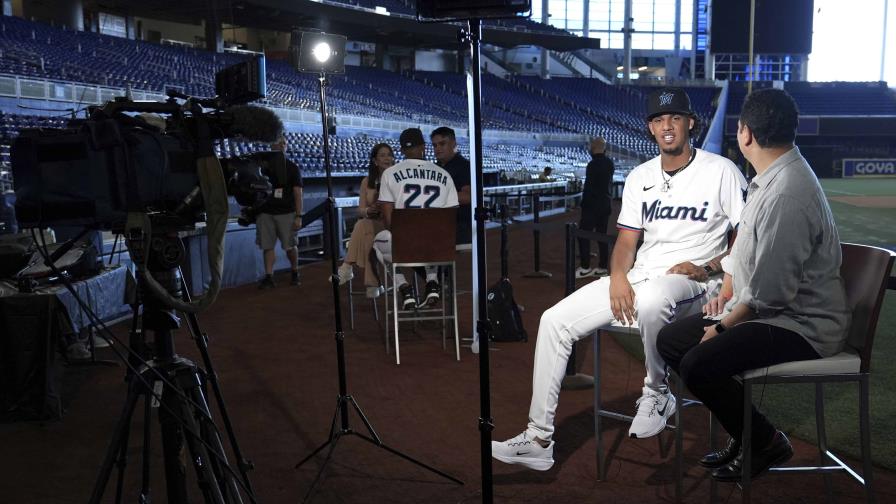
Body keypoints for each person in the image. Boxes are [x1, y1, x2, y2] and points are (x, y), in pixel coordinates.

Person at [491, 87, 747, 471]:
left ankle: (657, 392)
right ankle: (539, 438)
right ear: (650, 128)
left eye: (674, 118)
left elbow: (746, 238)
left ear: (690, 123)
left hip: (694, 283)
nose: (667, 126)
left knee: (654, 298)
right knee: (553, 321)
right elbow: (627, 242)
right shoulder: (640, 176)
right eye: (659, 120)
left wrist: (711, 268)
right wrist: (615, 278)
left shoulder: (721, 170)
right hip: (642, 276)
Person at [657, 88, 848, 482]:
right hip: (778, 313)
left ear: (745, 134)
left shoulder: (787, 192)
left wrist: (724, 324)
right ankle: (752, 434)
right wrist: (725, 297)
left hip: (801, 324)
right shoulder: (774, 177)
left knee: (698, 362)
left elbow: (770, 294)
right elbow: (747, 256)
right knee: (671, 341)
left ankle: (763, 441)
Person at [373, 128, 458, 309]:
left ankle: (404, 288)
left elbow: (388, 220)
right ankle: (433, 282)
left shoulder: (389, 174)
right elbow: (451, 217)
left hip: (405, 247)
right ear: (423, 147)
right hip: (440, 249)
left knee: (377, 243)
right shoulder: (444, 174)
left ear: (402, 150)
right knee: (432, 234)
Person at [334, 143, 394, 298]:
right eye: (382, 155)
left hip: (392, 227)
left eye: (389, 154)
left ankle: (347, 268)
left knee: (362, 225)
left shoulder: (397, 179)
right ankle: (372, 283)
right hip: (372, 224)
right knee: (365, 227)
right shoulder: (367, 181)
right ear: (375, 161)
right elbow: (360, 209)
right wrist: (369, 210)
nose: (387, 158)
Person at [256, 134, 303, 289]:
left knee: (290, 247)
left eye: (284, 143)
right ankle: (269, 277)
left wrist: (298, 215)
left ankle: (295, 271)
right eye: (279, 143)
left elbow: (298, 193)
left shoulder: (292, 167)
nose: (282, 145)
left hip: (287, 213)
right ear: (271, 146)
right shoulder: (263, 168)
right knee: (267, 246)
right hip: (266, 212)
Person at [576, 137, 615, 278]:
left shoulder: (592, 165)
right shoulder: (610, 163)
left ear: (593, 148)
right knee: (601, 236)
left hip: (592, 207)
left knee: (582, 235)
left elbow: (589, 189)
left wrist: (583, 204)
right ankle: (603, 267)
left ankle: (585, 267)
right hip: (605, 205)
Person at [430, 126, 472, 247]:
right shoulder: (434, 167)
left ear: (453, 143)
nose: (437, 148)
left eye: (442, 144)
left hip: (459, 227)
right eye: (434, 145)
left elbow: (468, 197)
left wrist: (438, 194)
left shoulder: (464, 166)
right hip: (439, 225)